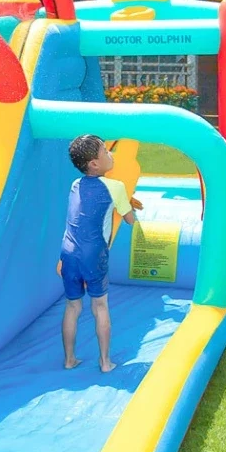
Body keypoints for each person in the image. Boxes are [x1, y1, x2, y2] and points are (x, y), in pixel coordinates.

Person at [60, 135, 142, 373]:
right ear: (94, 163)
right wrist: (127, 203)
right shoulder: (116, 187)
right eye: (105, 152)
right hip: (93, 254)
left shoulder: (75, 185)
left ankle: (69, 359)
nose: (110, 154)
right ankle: (105, 362)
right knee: (100, 306)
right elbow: (130, 220)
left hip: (68, 252)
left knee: (72, 307)